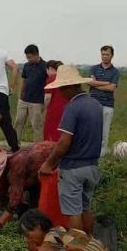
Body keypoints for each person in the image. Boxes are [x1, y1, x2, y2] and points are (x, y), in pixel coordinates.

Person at [39, 65, 103, 235]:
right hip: (92, 166)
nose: (60, 93)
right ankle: (91, 244)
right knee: (85, 208)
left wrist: (48, 165)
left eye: (61, 89)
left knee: (73, 212)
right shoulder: (95, 104)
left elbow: (64, 142)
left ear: (70, 87)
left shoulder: (72, 108)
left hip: (74, 168)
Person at [0, 141, 56, 232]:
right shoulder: (5, 171)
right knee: (27, 211)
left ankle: (40, 229)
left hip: (50, 167)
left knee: (33, 213)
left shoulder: (15, 168)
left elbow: (15, 199)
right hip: (34, 176)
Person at [88, 46, 120, 156]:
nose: (104, 57)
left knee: (104, 133)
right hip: (93, 104)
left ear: (112, 55)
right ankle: (91, 154)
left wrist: (96, 84)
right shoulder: (93, 68)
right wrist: (106, 83)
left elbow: (112, 88)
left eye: (107, 54)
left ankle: (101, 157)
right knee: (92, 131)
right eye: (103, 54)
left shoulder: (115, 72)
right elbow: (90, 82)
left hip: (107, 105)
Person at [14, 44, 48, 142]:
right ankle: (15, 144)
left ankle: (37, 147)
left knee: (36, 125)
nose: (28, 59)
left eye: (30, 57)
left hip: (37, 101)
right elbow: (23, 80)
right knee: (18, 122)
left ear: (36, 54)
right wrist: (20, 94)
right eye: (27, 57)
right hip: (24, 100)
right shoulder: (26, 66)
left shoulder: (45, 66)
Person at [43, 60, 67, 142]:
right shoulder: (65, 78)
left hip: (54, 108)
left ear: (49, 69)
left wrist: (45, 107)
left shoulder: (51, 79)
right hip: (66, 108)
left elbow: (47, 98)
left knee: (51, 129)